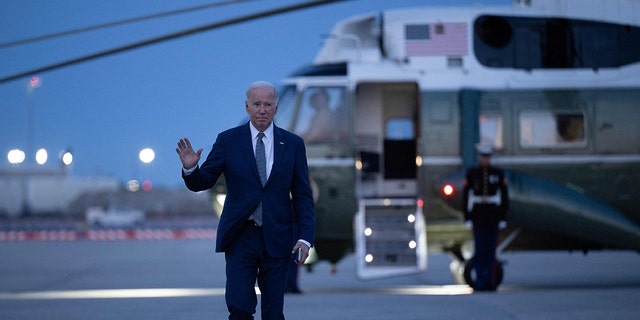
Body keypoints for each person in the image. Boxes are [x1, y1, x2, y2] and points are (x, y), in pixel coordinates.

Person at [176, 81, 315, 319]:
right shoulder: (228, 141)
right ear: (247, 106)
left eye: (268, 104)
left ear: (276, 107)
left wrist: (305, 238)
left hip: (278, 237)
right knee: (239, 307)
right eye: (257, 104)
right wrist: (191, 169)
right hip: (241, 236)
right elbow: (204, 181)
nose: (262, 109)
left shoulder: (293, 144)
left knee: (273, 313)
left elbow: (303, 195)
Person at [462, 143, 509, 292]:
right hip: (478, 216)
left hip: (493, 216)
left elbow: (504, 197)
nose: (485, 159)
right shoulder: (472, 173)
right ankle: (480, 281)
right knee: (480, 250)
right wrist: (467, 216)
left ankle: (490, 281)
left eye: (487, 157)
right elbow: (466, 196)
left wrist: (502, 217)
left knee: (491, 251)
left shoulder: (497, 173)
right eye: (483, 157)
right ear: (479, 157)